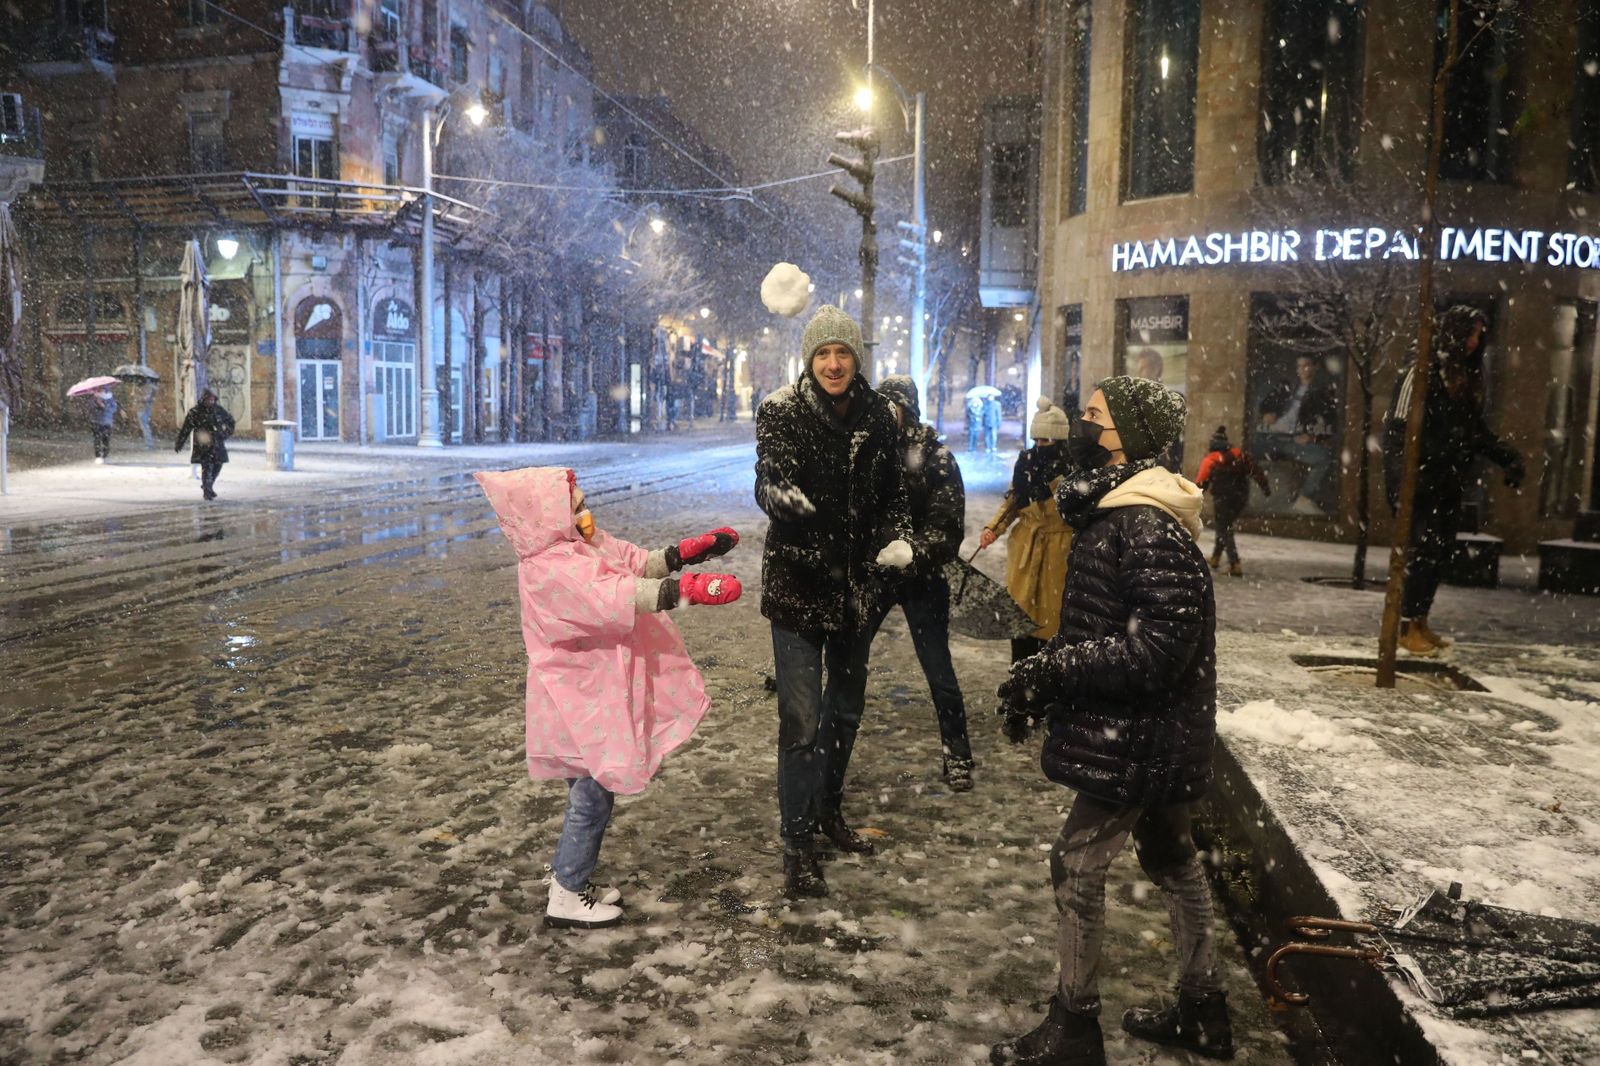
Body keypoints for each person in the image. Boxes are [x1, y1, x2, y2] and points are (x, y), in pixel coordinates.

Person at [991, 376, 1229, 1066]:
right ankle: (1205, 1011)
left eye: (1094, 417)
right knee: (1172, 858)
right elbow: (1108, 628)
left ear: (1127, 436)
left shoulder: (1144, 523)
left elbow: (1157, 650)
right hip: (1149, 729)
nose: (1081, 428)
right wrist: (1045, 678)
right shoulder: (1121, 512)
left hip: (1142, 734)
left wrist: (1057, 669)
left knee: (1075, 865)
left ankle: (1074, 1027)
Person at [474, 466, 742, 929]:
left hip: (593, 696)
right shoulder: (549, 568)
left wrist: (680, 555)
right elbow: (614, 594)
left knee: (589, 792)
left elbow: (630, 563)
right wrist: (684, 592)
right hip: (579, 700)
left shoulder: (578, 546)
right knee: (592, 797)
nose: (585, 515)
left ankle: (572, 877)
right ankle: (567, 891)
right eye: (575, 508)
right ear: (548, 517)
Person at [754, 304, 913, 899]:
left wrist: (899, 537)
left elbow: (895, 494)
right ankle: (797, 844)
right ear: (809, 360)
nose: (833, 364)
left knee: (844, 713)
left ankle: (827, 812)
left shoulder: (880, 416)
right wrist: (785, 500)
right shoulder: (781, 410)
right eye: (823, 353)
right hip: (798, 589)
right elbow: (769, 478)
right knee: (801, 723)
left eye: (842, 352)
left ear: (856, 358)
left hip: (855, 593)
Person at [1383, 305, 1524, 655]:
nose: (1475, 342)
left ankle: (1419, 620)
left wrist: (1508, 457)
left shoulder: (1464, 377)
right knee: (1423, 551)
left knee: (1439, 551)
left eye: (1479, 335)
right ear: (1454, 333)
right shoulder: (1421, 371)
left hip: (1446, 479)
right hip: (1420, 480)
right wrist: (1403, 484)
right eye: (1470, 333)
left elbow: (1474, 431)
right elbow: (1398, 430)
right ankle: (1406, 626)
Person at [866, 375, 974, 791]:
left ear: (906, 410)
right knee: (846, 660)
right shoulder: (868, 451)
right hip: (877, 575)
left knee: (938, 669)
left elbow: (947, 527)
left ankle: (957, 754)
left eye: (890, 406)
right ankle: (828, 745)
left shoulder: (935, 457)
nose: (883, 413)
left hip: (922, 579)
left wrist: (911, 553)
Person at [979, 398, 1075, 669]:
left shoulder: (1074, 469)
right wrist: (993, 528)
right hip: (1024, 549)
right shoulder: (1026, 464)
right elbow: (1015, 500)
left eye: (1047, 440)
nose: (1040, 446)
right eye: (1037, 440)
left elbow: (1080, 510)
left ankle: (1046, 681)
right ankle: (1020, 681)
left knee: (1052, 623)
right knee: (1021, 619)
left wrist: (1057, 484)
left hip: (1059, 552)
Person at [1255, 353, 1337, 516]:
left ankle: (1305, 499)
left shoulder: (1321, 392)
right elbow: (1265, 404)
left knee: (1323, 458)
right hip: (1270, 436)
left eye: (1306, 365)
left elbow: (1331, 422)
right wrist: (1267, 413)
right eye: (1299, 366)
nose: (1302, 370)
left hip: (1293, 441)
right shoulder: (1288, 386)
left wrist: (1313, 436)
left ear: (1315, 367)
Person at [1195, 425, 1270, 578]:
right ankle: (1216, 558)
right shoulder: (1239, 455)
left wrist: (1195, 499)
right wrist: (1265, 487)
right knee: (1224, 525)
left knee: (1224, 528)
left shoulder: (1211, 459)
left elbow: (1201, 482)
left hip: (1222, 498)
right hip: (1240, 498)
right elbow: (1256, 471)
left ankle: (1235, 564)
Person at [174, 389, 235, 501]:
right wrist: (180, 443)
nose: (211, 402)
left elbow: (230, 421)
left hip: (217, 442)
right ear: (203, 400)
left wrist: (225, 433)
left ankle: (208, 485)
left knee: (218, 465)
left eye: (212, 400)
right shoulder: (195, 412)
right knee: (207, 467)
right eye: (208, 400)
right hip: (203, 443)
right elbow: (186, 429)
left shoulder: (218, 410)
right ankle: (207, 490)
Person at [89, 387, 117, 464]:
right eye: (99, 390)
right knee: (97, 439)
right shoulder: (94, 398)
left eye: (102, 389)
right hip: (96, 421)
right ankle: (98, 456)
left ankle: (105, 456)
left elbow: (114, 409)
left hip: (107, 422)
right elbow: (91, 409)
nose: (100, 391)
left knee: (106, 440)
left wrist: (104, 406)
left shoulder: (110, 398)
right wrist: (97, 404)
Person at [966, 387, 986, 453]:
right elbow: (968, 416)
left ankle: (974, 448)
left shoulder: (980, 410)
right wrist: (973, 418)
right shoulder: (970, 409)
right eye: (974, 402)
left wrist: (979, 418)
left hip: (978, 425)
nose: (975, 403)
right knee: (971, 436)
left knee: (976, 437)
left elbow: (982, 415)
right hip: (972, 425)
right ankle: (970, 447)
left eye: (976, 402)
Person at [137, 382, 157, 450]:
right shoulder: (151, 386)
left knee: (145, 426)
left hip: (143, 408)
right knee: (145, 426)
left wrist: (137, 397)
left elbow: (146, 398)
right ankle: (148, 443)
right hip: (144, 408)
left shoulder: (148, 387)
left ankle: (149, 444)